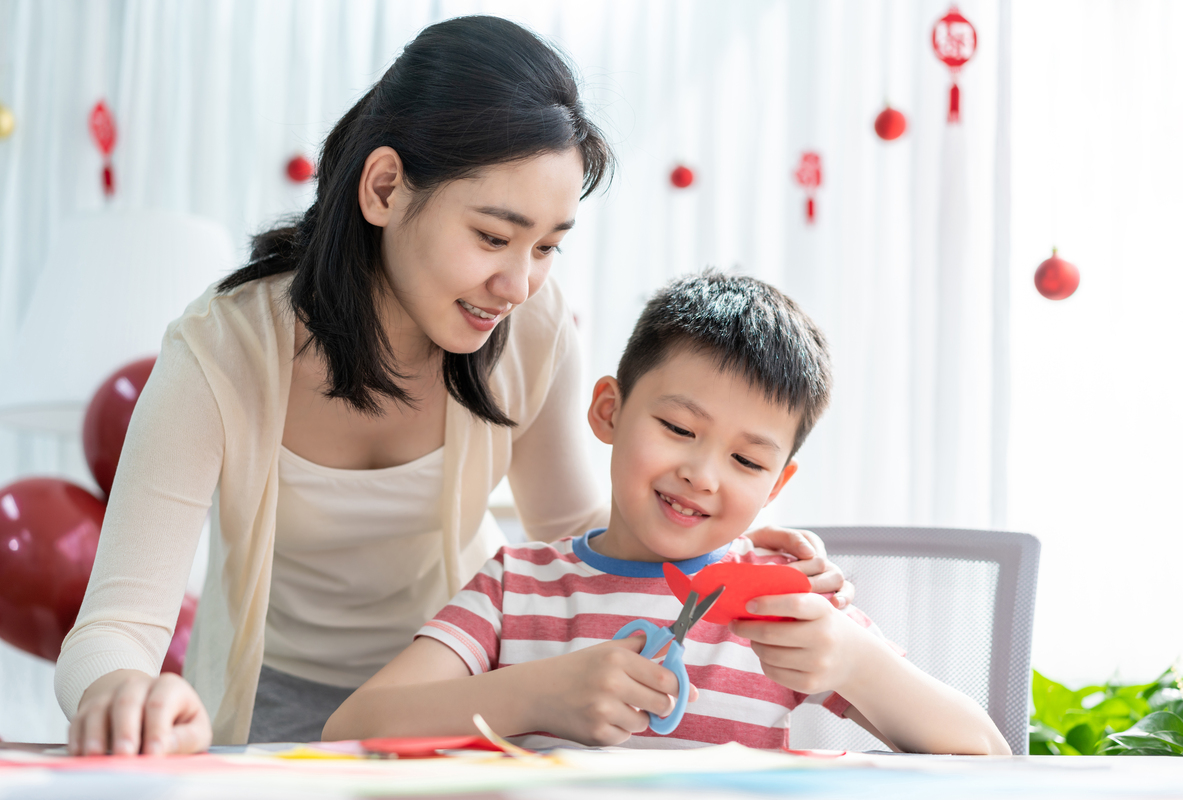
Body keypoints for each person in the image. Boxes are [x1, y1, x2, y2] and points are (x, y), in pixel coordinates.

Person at [56, 17, 851, 756]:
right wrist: (119, 687)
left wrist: (731, 555)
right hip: (267, 697)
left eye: (547, 247)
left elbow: (580, 533)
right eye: (493, 236)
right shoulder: (221, 351)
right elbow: (116, 625)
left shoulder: (533, 332)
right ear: (384, 189)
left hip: (467, 688)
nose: (517, 282)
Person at [323, 273, 1010, 755]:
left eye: (746, 462)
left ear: (777, 484)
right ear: (609, 412)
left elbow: (985, 753)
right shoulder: (517, 584)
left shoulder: (780, 602)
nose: (701, 474)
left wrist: (855, 661)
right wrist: (533, 696)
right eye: (679, 429)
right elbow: (352, 728)